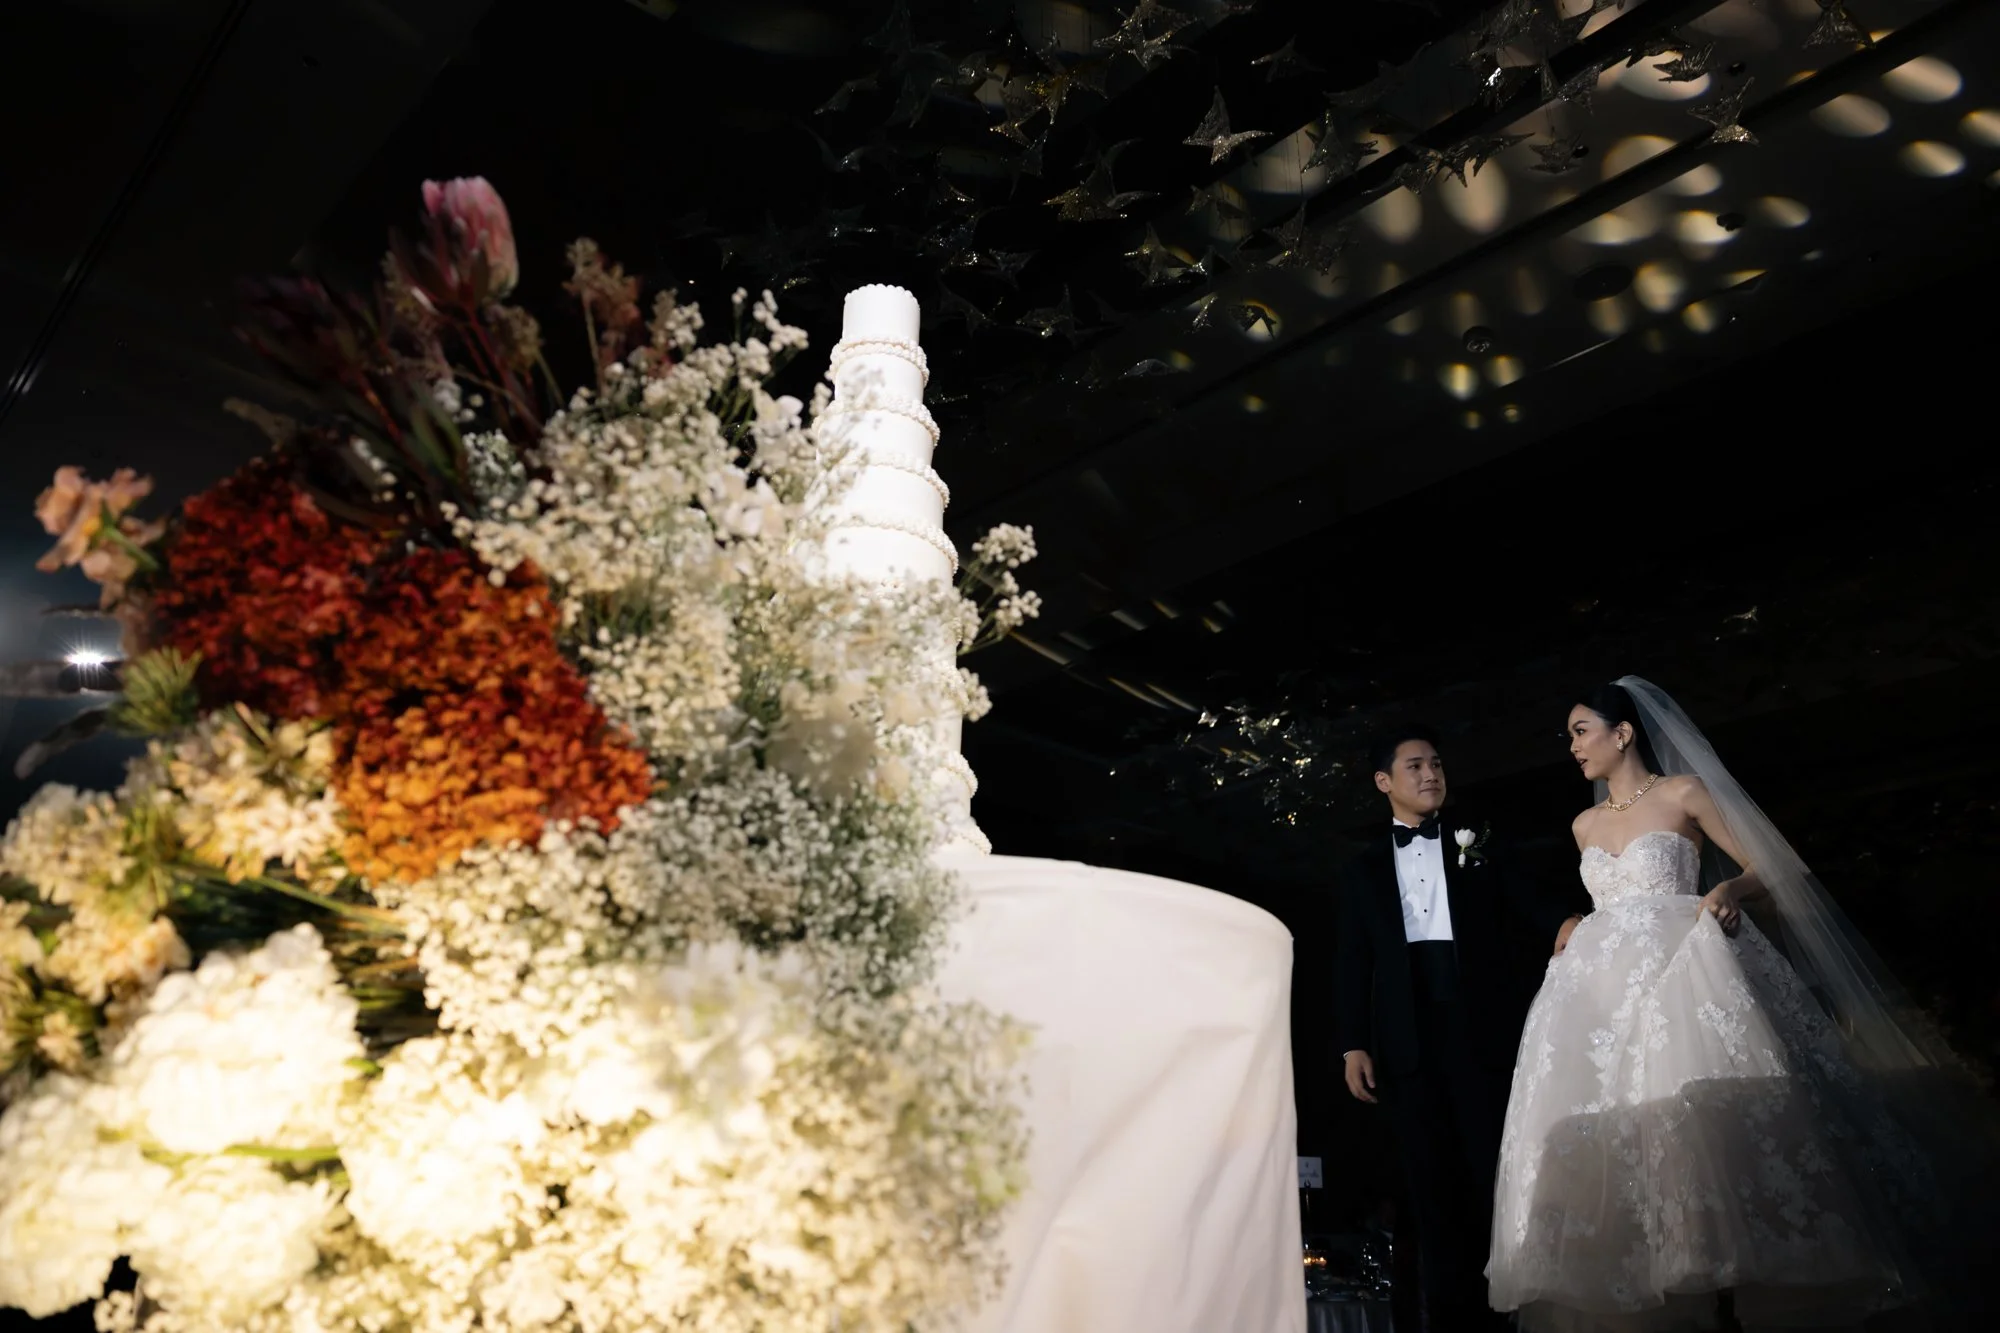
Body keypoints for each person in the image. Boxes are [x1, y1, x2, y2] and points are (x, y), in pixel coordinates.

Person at [1488, 677, 2000, 1331]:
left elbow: (1774, 866)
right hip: (1599, 994)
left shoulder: (1682, 793)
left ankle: (1734, 1282)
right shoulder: (1582, 824)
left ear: (1624, 732)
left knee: (1711, 1132)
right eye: (1569, 736)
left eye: (1581, 731)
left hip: (1685, 974)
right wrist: (1574, 928)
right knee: (1619, 1135)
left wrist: (1730, 887)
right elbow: (1609, 906)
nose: (1572, 746)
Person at [1335, 726, 1581, 1331]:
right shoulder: (1363, 869)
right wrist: (1352, 1043)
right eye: (1415, 766)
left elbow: (1525, 898)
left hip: (1479, 1030)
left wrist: (1566, 922)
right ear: (1384, 781)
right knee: (1429, 1188)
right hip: (1407, 1043)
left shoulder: (1480, 843)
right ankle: (1451, 1320)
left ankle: (1508, 1313)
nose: (1431, 775)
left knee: (1492, 1176)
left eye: (1437, 764)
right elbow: (1352, 960)